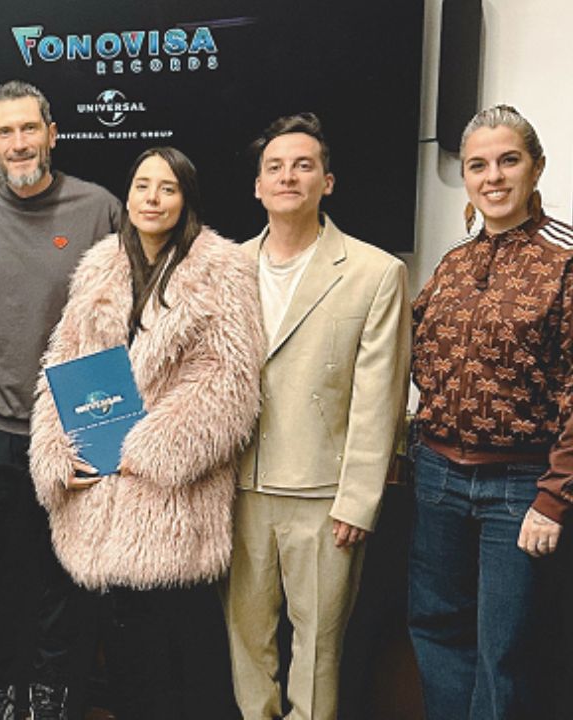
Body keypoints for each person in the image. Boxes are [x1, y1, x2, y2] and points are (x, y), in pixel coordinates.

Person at [30, 147, 261, 718]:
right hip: (99, 498)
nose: (152, 199)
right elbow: (65, 362)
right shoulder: (100, 265)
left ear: (186, 200)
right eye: (142, 186)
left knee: (179, 664)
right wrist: (57, 452)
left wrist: (146, 449)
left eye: (167, 188)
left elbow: (228, 383)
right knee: (123, 662)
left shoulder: (223, 269)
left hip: (172, 502)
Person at [223, 112, 410, 720]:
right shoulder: (225, 268)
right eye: (275, 167)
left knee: (318, 647)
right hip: (239, 488)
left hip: (324, 495)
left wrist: (358, 499)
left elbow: (380, 397)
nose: (288, 177)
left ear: (326, 182)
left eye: (303, 166)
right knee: (247, 641)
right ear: (257, 186)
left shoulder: (375, 272)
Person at [0, 80, 121, 719]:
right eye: (6, 132)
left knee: (69, 570)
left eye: (30, 128)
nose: (19, 143)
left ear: (52, 134)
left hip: (78, 414)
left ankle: (54, 693)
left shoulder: (98, 207)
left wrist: (108, 429)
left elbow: (128, 316)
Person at [407, 103, 572, 720]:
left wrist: (554, 496)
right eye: (478, 165)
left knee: (505, 652)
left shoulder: (565, 260)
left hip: (519, 487)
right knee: (436, 630)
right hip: (437, 477)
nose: (493, 176)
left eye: (508, 160)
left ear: (536, 168)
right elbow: (422, 359)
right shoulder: (454, 262)